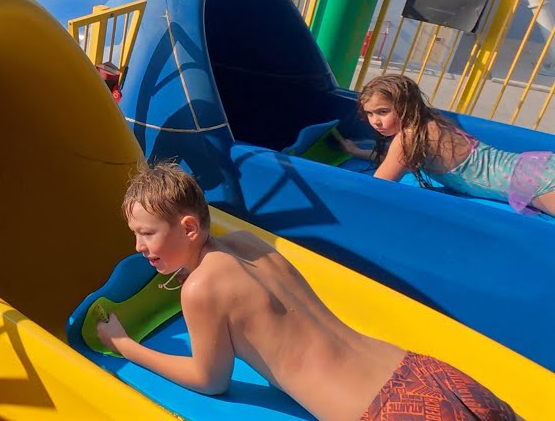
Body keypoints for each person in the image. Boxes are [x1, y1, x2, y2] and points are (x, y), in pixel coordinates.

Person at [96, 161, 517, 421]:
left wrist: (123, 344)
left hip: (386, 412)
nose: (138, 247)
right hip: (426, 374)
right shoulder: (247, 243)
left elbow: (210, 381)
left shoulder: (201, 287)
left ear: (188, 228)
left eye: (146, 234)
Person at [340, 74, 555, 217]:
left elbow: (378, 186)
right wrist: (357, 151)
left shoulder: (408, 138)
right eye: (369, 113)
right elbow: (395, 161)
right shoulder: (430, 120)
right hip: (534, 166)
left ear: (405, 106)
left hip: (536, 183)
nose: (375, 121)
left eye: (382, 112)